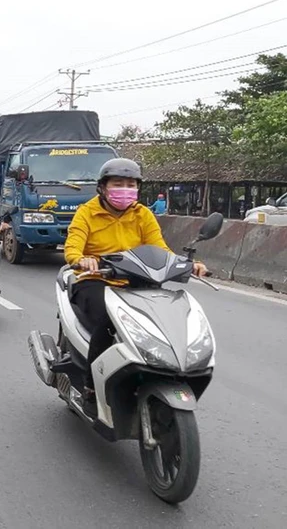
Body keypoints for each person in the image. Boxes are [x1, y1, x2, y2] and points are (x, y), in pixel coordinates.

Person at [64, 159, 207, 403]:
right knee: (110, 322)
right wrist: (82, 260)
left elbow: (159, 248)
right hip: (96, 279)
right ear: (103, 187)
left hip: (136, 281)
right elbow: (73, 246)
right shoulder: (87, 212)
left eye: (130, 184)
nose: (125, 189)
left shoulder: (143, 214)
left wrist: (188, 265)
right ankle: (90, 384)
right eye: (118, 184)